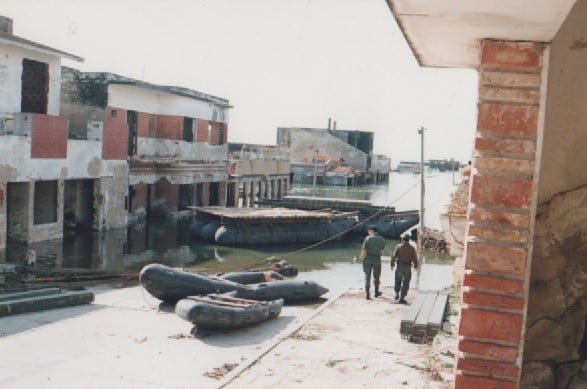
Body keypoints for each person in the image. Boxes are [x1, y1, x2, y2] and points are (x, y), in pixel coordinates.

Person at [391, 233, 418, 304]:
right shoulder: (412, 248)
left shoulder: (398, 246)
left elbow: (393, 256)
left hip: (399, 266)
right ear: (409, 240)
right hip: (407, 267)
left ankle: (396, 293)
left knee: (397, 280)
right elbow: (415, 258)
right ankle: (402, 298)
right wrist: (416, 266)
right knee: (406, 282)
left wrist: (392, 264)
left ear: (402, 239)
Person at [361, 226, 385, 300]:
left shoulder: (367, 238)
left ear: (371, 231)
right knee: (377, 276)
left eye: (369, 231)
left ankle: (367, 295)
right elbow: (382, 248)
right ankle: (376, 293)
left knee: (367, 277)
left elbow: (364, 249)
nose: (368, 232)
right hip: (377, 259)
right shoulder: (381, 239)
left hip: (367, 259)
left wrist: (362, 258)